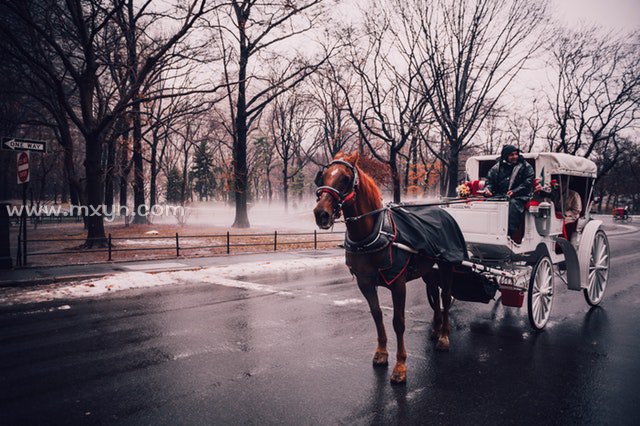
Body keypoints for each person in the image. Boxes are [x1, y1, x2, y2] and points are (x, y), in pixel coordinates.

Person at [484, 145, 535, 240]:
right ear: (505, 156)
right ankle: (488, 231)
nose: (515, 157)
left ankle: (509, 234)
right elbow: (489, 181)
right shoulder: (496, 168)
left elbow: (528, 182)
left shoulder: (525, 166)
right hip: (501, 195)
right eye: (512, 155)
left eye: (516, 154)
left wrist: (515, 192)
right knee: (488, 203)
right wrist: (488, 190)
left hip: (520, 196)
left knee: (513, 205)